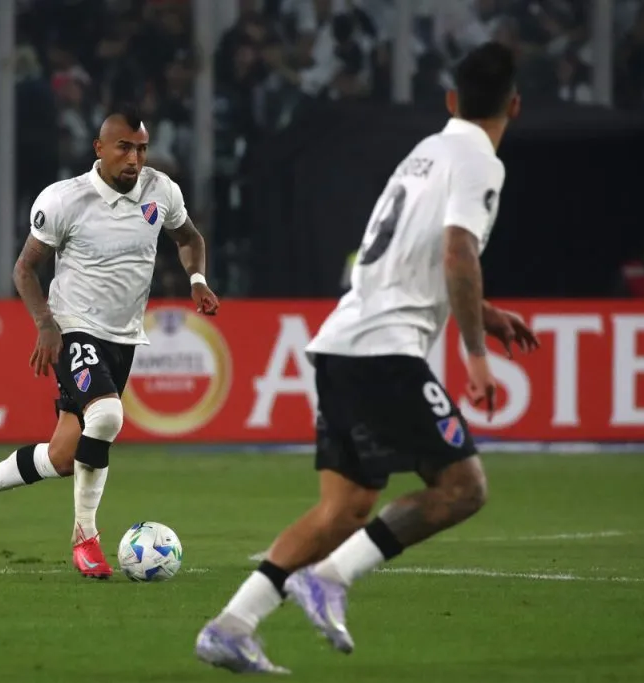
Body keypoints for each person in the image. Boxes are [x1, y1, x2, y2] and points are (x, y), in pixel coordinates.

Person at [195, 42, 541, 673]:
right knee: (462, 488)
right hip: (385, 351)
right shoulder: (480, 163)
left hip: (343, 341)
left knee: (346, 509)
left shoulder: (425, 152)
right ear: (514, 105)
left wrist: (482, 311)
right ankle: (329, 578)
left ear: (450, 100)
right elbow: (458, 252)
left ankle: (231, 625)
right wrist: (475, 353)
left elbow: (412, 255)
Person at [0, 105, 220, 578]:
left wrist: (197, 280)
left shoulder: (161, 190)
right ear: (99, 149)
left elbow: (189, 238)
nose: (135, 159)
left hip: (123, 337)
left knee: (64, 456)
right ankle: (85, 539)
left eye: (142, 149)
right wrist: (46, 324)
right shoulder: (64, 200)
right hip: (73, 327)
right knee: (107, 416)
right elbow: (24, 269)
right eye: (124, 148)